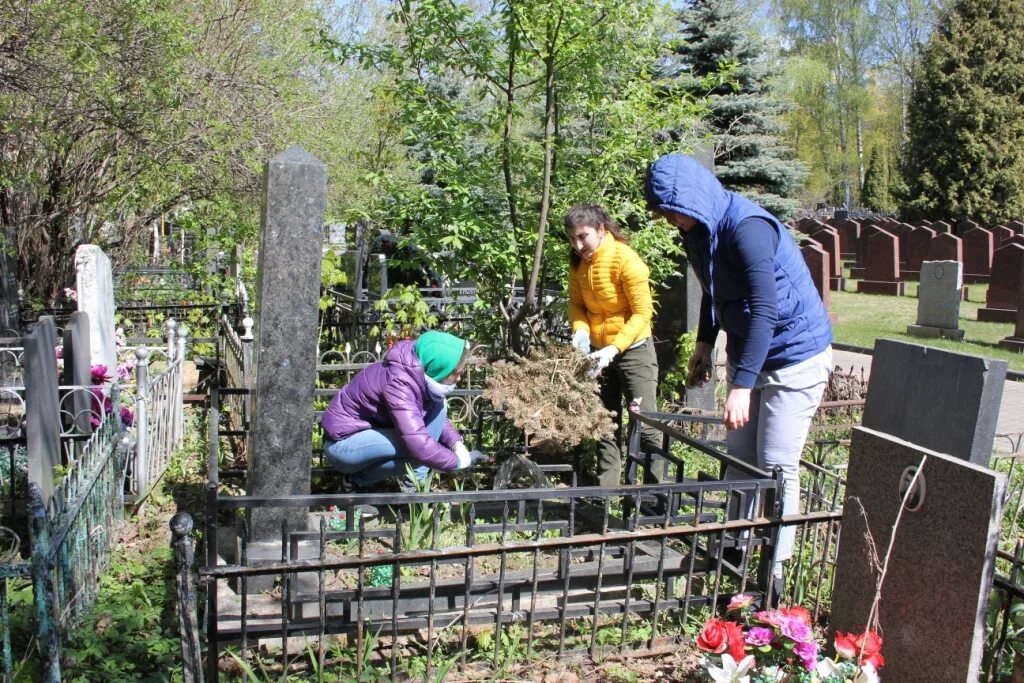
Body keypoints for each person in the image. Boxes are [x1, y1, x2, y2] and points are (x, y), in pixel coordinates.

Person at [644, 154, 833, 589]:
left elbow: (765, 307)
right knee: (740, 459)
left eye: (671, 209)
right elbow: (714, 291)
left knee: (776, 464)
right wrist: (705, 345)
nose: (669, 220)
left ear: (690, 198)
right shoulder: (698, 229)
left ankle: (775, 573)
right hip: (752, 351)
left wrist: (742, 385)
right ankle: (734, 547)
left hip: (794, 356)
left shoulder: (747, 228)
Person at [564, 203, 663, 487]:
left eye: (583, 236)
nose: (578, 244)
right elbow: (576, 304)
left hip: (634, 351)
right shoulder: (579, 263)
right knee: (604, 423)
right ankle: (606, 494)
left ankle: (656, 498)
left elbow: (643, 313)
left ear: (601, 230)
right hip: (597, 353)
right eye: (573, 238)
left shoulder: (626, 260)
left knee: (644, 423)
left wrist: (614, 347)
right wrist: (580, 331)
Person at [320, 329, 483, 490]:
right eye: (455, 373)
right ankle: (360, 483)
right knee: (417, 451)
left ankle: (410, 481)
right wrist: (458, 462)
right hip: (342, 446)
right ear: (438, 370)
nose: (459, 378)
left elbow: (436, 418)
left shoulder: (417, 373)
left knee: (438, 408)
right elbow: (418, 445)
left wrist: (456, 444)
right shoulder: (399, 384)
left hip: (368, 438)